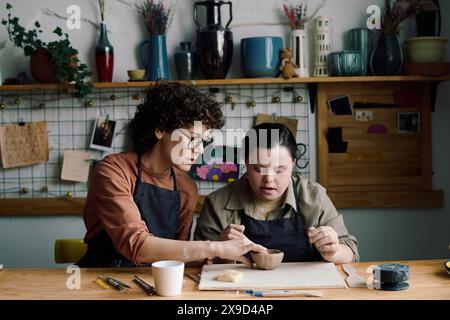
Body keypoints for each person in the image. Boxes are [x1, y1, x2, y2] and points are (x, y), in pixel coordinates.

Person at [78, 82, 266, 268]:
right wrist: (215, 247)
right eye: (192, 138)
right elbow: (136, 245)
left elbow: (180, 256)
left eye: (203, 141)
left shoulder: (187, 187)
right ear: (160, 129)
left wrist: (221, 252)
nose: (200, 150)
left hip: (155, 281)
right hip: (99, 278)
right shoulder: (113, 171)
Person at [195, 123, 359, 264]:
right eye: (259, 169)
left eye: (279, 170)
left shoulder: (314, 196)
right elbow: (198, 261)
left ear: (293, 164)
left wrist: (333, 251)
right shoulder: (217, 203)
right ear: (246, 163)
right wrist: (220, 252)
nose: (269, 180)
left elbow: (351, 251)